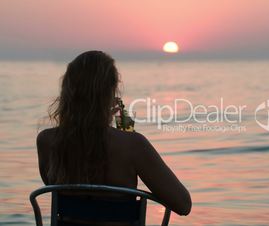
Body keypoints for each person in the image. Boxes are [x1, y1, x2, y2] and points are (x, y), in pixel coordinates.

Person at [36, 50, 192, 216]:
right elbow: (183, 205)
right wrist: (127, 135)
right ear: (110, 93)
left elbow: (55, 188)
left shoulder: (47, 141)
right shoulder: (133, 145)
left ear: (67, 91)